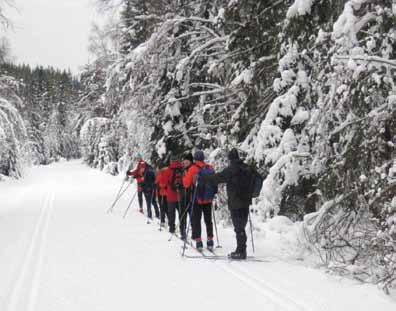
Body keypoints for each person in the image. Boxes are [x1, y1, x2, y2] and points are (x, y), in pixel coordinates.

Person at [201, 148, 253, 259]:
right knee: (241, 226)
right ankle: (241, 249)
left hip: (236, 201)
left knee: (238, 227)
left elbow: (218, 178)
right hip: (246, 201)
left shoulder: (232, 169)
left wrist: (204, 178)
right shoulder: (246, 168)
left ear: (230, 159)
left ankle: (241, 251)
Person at [183, 150, 216, 250]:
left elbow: (186, 184)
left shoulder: (193, 168)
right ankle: (210, 240)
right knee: (208, 220)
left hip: (197, 198)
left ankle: (199, 242)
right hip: (208, 199)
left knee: (197, 220)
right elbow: (215, 182)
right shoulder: (210, 168)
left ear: (195, 159)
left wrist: (185, 176)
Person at [163, 155, 184, 235]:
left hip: (171, 196)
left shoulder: (168, 170)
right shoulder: (182, 169)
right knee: (181, 214)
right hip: (180, 196)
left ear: (171, 161)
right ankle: (183, 230)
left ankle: (172, 228)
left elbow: (164, 183)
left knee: (171, 213)